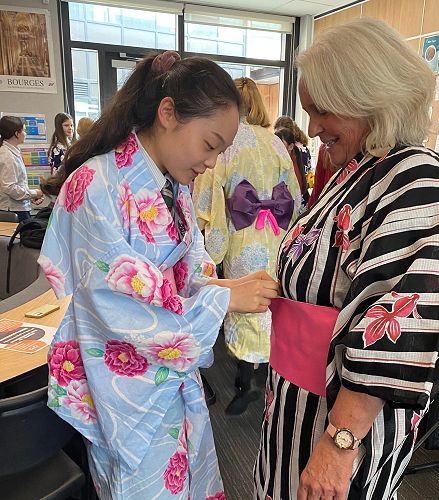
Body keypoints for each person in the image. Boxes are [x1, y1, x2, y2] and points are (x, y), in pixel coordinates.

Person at [38, 51, 279, 499]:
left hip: (168, 378)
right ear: (167, 113)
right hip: (127, 391)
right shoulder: (96, 184)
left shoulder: (173, 185)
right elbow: (116, 307)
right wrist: (223, 300)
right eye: (209, 145)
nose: (212, 163)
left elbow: (189, 268)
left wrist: (226, 285)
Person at [255, 18, 439, 500]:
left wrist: (340, 442)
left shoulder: (416, 176)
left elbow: (407, 321)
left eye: (323, 111)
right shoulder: (358, 169)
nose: (312, 128)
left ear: (369, 96)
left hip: (340, 422)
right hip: (295, 404)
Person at [193, 77, 301, 415]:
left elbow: (208, 197)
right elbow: (296, 198)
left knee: (243, 301)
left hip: (242, 236)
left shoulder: (226, 143)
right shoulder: (276, 143)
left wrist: (211, 239)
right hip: (276, 234)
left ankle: (246, 380)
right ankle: (269, 378)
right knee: (270, 300)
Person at [0, 115, 44, 221]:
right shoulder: (7, 156)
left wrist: (30, 197)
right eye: (23, 131)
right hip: (12, 209)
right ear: (16, 133)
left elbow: (18, 184)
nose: (25, 134)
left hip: (18, 207)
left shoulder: (13, 151)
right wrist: (34, 193)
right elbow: (9, 187)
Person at [275, 127, 309, 206]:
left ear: (290, 147)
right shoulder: (288, 161)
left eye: (280, 145)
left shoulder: (290, 166)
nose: (276, 148)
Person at [307, 143, 335, 207]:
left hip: (328, 202)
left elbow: (318, 184)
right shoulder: (324, 149)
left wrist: (311, 207)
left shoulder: (324, 149)